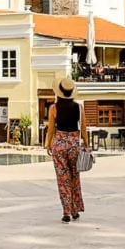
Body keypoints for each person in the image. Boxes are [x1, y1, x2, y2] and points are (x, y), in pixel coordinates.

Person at [45, 77, 89, 223]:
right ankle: (75, 210)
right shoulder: (79, 108)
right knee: (74, 177)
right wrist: (87, 144)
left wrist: (48, 144)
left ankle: (66, 212)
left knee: (62, 179)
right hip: (74, 144)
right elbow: (83, 128)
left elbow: (51, 129)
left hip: (59, 144)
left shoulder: (54, 108)